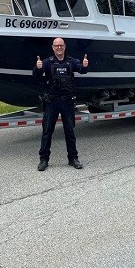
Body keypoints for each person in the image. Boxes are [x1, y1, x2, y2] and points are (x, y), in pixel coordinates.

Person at [33, 37, 89, 171]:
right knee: (47, 131)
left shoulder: (71, 61)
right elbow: (36, 75)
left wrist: (85, 65)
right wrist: (38, 67)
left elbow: (82, 70)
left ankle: (73, 158)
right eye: (56, 45)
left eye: (61, 45)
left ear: (64, 47)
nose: (59, 47)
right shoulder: (47, 62)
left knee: (70, 131)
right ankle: (43, 160)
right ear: (53, 47)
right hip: (52, 101)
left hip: (67, 102)